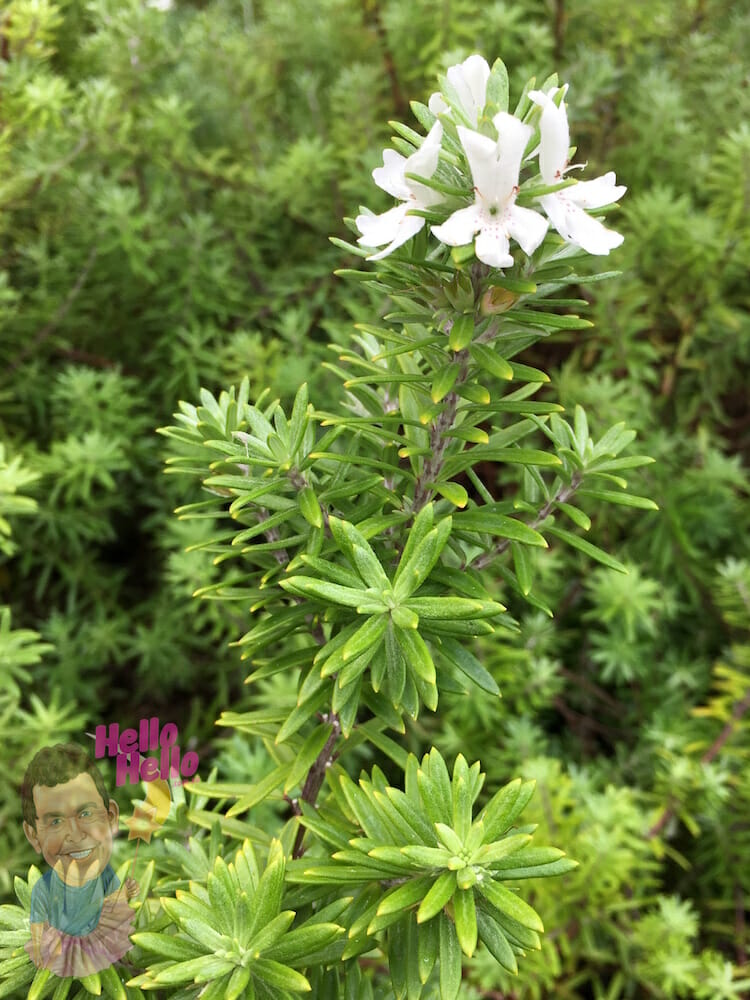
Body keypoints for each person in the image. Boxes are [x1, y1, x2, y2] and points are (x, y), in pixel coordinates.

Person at [21, 743, 139, 977]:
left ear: (111, 818)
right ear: (34, 836)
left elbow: (114, 906)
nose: (75, 834)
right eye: (55, 821)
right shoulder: (44, 888)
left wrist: (125, 893)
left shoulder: (105, 874)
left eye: (85, 813)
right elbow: (37, 928)